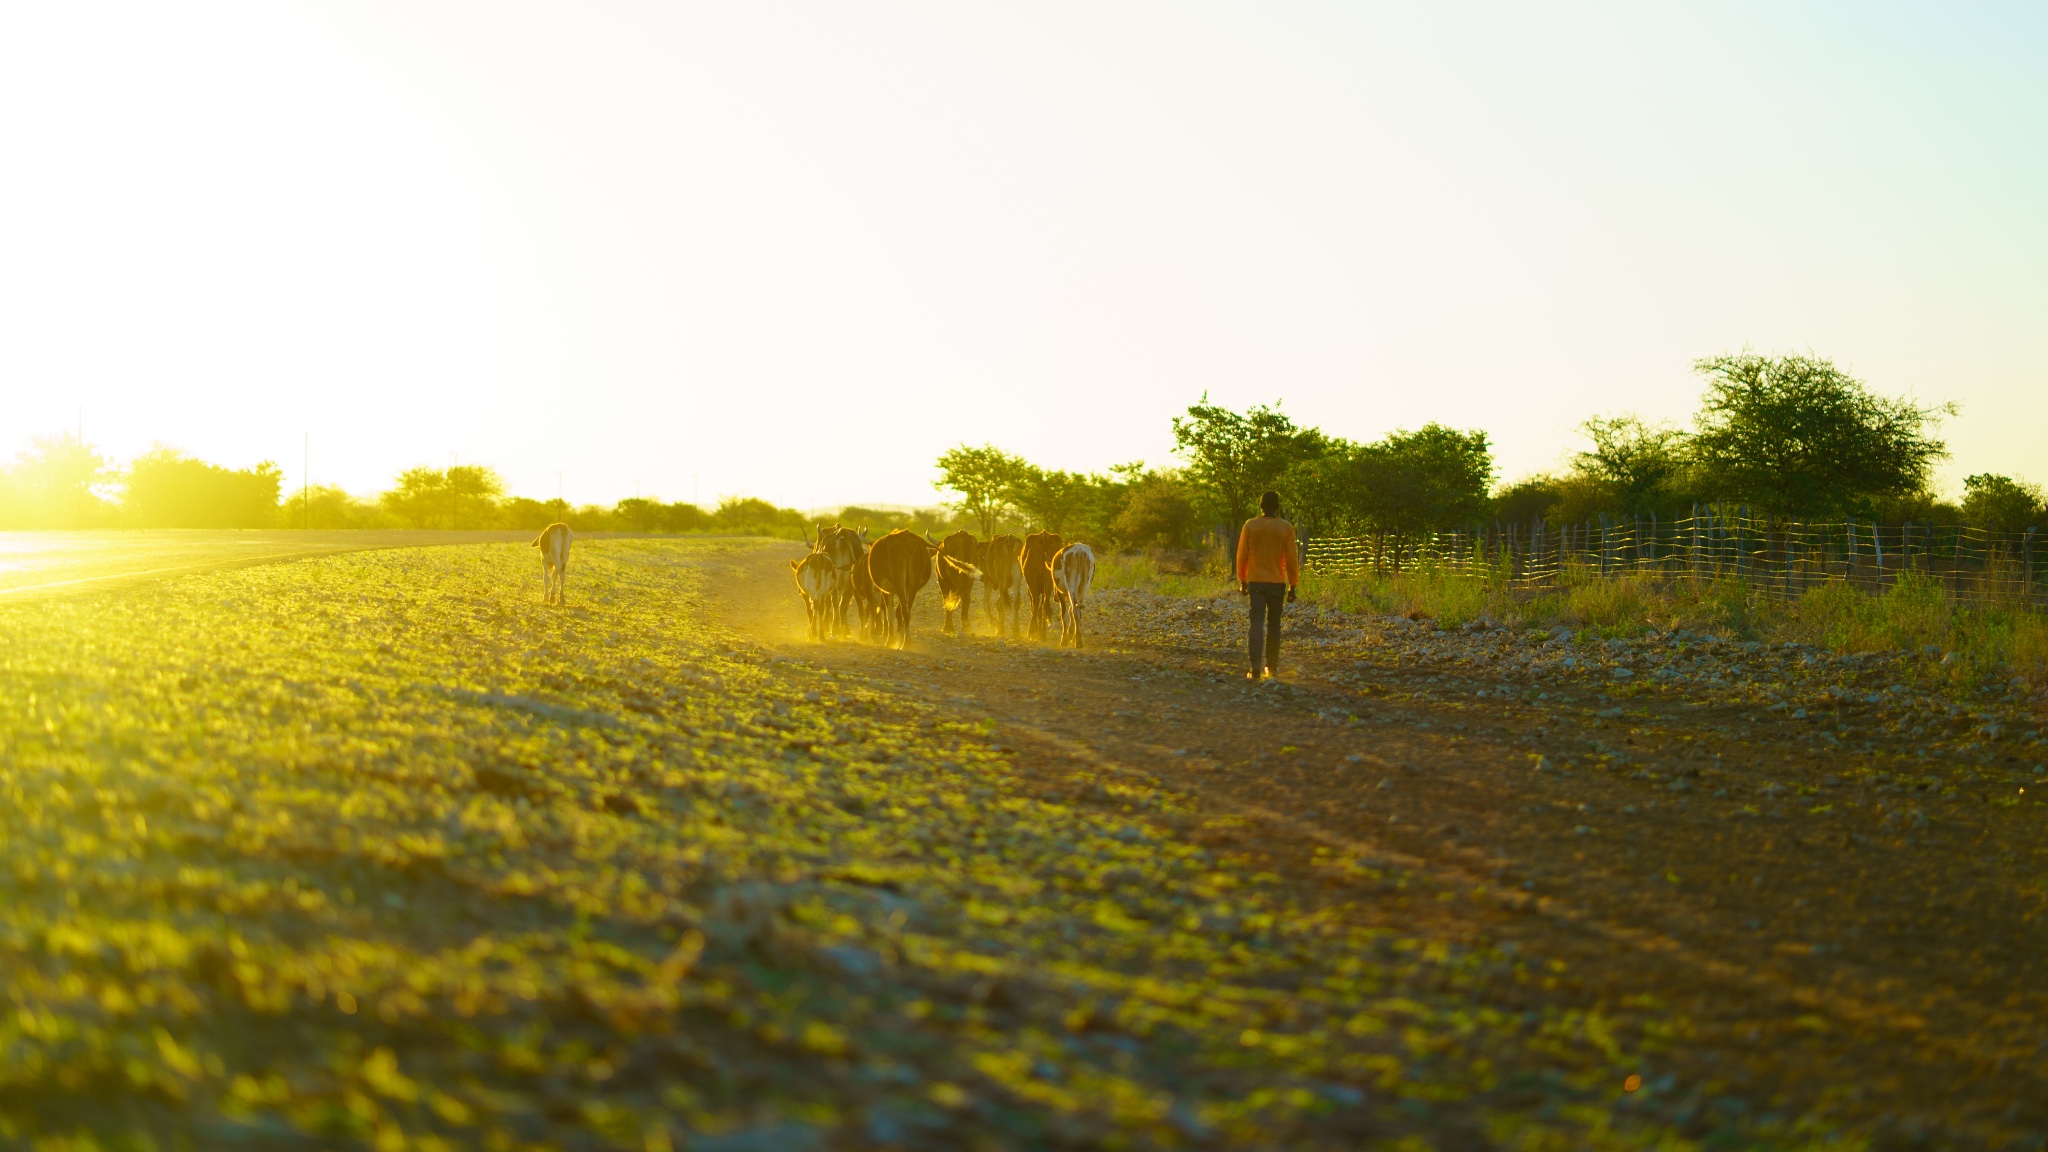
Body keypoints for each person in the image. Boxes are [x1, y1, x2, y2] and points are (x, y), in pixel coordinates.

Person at [1235, 490, 1299, 681]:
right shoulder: (1286, 528)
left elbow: (1242, 555)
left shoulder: (1250, 525)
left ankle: (1254, 668)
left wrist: (1242, 579)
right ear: (1277, 506)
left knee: (1256, 623)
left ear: (1260, 505)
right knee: (1274, 625)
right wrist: (1293, 584)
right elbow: (1291, 559)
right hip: (1277, 583)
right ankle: (1271, 668)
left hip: (1255, 581)